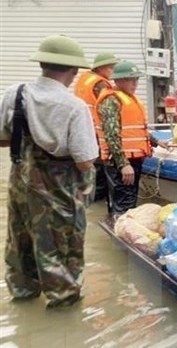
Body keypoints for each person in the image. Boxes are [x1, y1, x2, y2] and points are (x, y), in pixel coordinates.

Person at [0, 34, 98, 307]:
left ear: (42, 63)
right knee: (60, 247)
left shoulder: (14, 94)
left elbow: (3, 139)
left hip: (20, 183)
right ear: (74, 70)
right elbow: (85, 161)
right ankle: (64, 308)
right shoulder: (74, 107)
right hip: (60, 188)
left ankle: (23, 295)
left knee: (20, 241)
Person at [94, 61, 167, 216]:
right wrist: (123, 164)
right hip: (120, 162)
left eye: (136, 79)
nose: (135, 83)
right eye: (130, 79)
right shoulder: (111, 101)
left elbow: (135, 129)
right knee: (123, 205)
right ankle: (119, 234)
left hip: (132, 160)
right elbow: (111, 134)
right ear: (118, 80)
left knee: (128, 203)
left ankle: (119, 230)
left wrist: (156, 141)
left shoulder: (128, 99)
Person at [74, 52, 119, 202]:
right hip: (96, 130)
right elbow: (109, 108)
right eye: (111, 68)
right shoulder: (101, 84)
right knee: (101, 165)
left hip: (83, 127)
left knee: (90, 164)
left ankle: (88, 197)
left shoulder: (84, 78)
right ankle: (98, 198)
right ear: (102, 68)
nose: (113, 71)